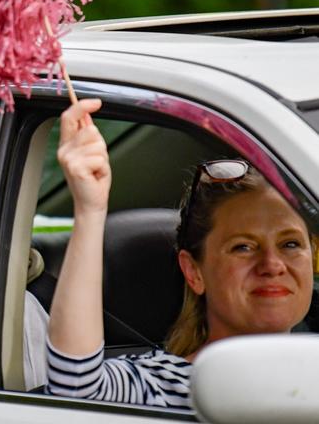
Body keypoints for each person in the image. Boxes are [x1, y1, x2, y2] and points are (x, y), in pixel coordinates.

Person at [45, 100, 315, 410]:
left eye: (291, 244)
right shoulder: (163, 387)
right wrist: (90, 209)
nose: (272, 264)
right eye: (244, 246)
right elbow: (77, 387)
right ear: (194, 272)